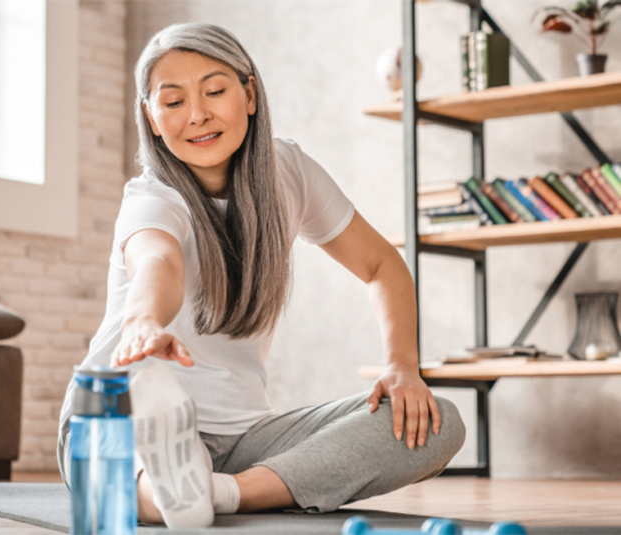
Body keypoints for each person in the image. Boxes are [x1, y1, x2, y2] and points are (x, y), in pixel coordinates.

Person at [57, 21, 466, 529]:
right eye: (174, 101)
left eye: (214, 90)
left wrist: (403, 365)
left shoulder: (287, 171)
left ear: (249, 92)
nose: (198, 114)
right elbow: (156, 262)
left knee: (436, 421)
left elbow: (382, 265)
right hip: (115, 418)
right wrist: (142, 321)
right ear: (152, 117)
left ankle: (220, 492)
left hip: (245, 439)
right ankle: (179, 490)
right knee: (122, 483)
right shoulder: (151, 198)